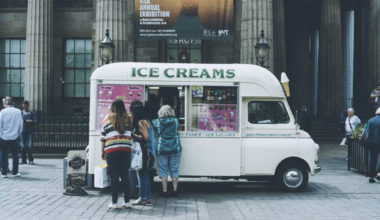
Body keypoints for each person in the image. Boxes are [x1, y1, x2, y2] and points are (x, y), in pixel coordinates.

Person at [100, 99, 133, 209]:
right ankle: (127, 202)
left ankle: (114, 203)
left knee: (114, 177)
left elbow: (103, 138)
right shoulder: (129, 119)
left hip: (112, 151)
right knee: (125, 176)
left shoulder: (107, 119)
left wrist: (102, 152)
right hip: (125, 150)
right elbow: (131, 133)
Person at [152, 105, 182, 197]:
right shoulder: (176, 121)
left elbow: (152, 124)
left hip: (162, 148)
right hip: (175, 147)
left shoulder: (157, 122)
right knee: (174, 169)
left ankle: (164, 191)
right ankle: (175, 190)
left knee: (163, 169)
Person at [131, 103, 156, 206]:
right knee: (145, 175)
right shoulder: (147, 121)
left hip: (144, 153)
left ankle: (142, 197)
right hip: (149, 152)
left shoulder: (141, 122)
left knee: (141, 175)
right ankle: (147, 197)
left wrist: (133, 135)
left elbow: (145, 137)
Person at [0, 97, 23, 178]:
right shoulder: (18, 111)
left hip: (4, 137)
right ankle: (15, 172)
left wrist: (1, 133)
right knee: (15, 155)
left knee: (3, 154)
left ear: (6, 103)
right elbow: (20, 125)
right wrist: (18, 134)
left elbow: (0, 124)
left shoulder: (2, 112)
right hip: (14, 136)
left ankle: (4, 173)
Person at [20, 100, 37, 165]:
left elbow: (36, 121)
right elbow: (19, 120)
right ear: (22, 105)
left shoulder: (32, 113)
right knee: (23, 146)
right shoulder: (20, 113)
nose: (25, 106)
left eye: (26, 105)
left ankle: (30, 159)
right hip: (23, 131)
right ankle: (23, 160)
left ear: (28, 105)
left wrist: (31, 121)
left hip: (30, 131)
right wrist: (25, 121)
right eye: (24, 105)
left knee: (30, 146)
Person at [366, 107, 380, 183]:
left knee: (373, 160)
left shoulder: (370, 120)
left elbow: (366, 132)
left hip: (372, 143)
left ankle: (371, 177)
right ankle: (379, 173)